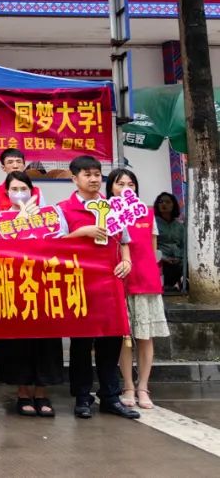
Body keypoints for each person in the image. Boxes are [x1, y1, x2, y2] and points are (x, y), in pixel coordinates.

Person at [57, 155, 139, 420]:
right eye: (87, 174)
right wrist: (83, 232)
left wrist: (126, 260)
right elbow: (55, 244)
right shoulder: (62, 209)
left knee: (111, 340)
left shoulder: (114, 206)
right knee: (81, 343)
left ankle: (110, 396)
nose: (93, 179)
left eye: (96, 174)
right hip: (79, 284)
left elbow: (123, 240)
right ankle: (82, 397)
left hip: (110, 281)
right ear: (74, 178)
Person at [0, 171, 68, 417]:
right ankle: (23, 392)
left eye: (23, 188)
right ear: (6, 194)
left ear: (32, 191)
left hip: (45, 287)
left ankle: (42, 392)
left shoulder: (50, 215)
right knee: (18, 343)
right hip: (14, 288)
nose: (19, 193)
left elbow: (61, 245)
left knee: (45, 341)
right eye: (14, 189)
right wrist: (19, 222)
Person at [110, 169, 169, 411]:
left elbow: (152, 250)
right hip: (117, 281)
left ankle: (143, 387)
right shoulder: (105, 211)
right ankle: (127, 386)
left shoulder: (147, 212)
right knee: (124, 339)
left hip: (145, 281)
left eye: (131, 184)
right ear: (111, 188)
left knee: (145, 337)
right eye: (120, 183)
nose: (126, 188)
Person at [0, 148, 44, 215]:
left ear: (24, 166)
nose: (15, 166)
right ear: (3, 167)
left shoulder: (37, 191)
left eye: (18, 161)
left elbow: (45, 216)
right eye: (10, 162)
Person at [155, 192, 186, 290]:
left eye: (168, 202)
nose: (164, 204)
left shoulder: (179, 226)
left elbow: (184, 246)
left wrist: (181, 258)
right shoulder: (153, 223)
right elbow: (151, 246)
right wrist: (163, 258)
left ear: (173, 205)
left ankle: (180, 284)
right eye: (161, 202)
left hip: (179, 260)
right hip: (161, 261)